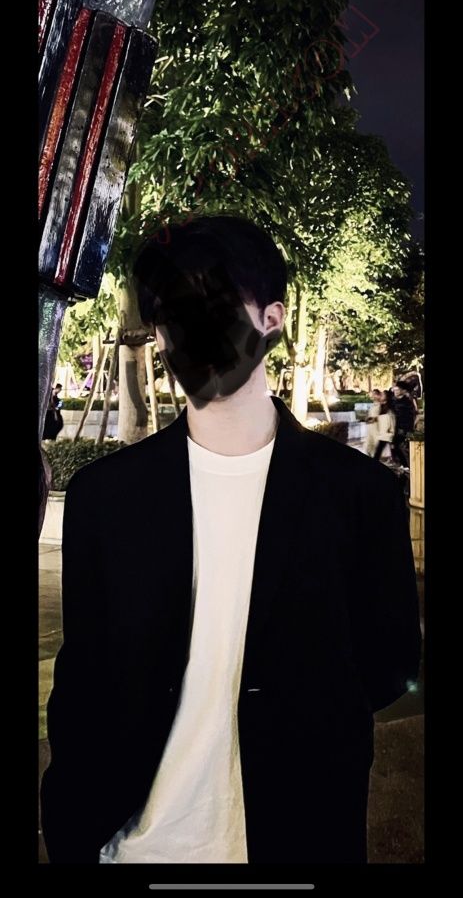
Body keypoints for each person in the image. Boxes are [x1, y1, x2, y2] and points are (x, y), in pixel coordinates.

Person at [40, 215, 422, 865]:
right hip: (132, 849)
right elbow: (84, 686)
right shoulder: (106, 499)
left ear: (271, 320)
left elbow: (389, 665)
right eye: (172, 315)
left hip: (298, 840)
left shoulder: (358, 496)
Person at [373, 390, 396, 461]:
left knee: (378, 452)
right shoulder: (380, 407)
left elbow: (392, 423)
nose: (380, 396)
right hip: (382, 434)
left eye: (383, 395)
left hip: (387, 435)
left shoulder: (390, 410)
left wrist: (392, 434)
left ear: (387, 397)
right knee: (379, 451)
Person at [363, 388, 382, 457]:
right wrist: (366, 419)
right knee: (367, 447)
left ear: (379, 395)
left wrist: (374, 419)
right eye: (372, 394)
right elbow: (369, 416)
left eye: (375, 394)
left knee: (376, 446)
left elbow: (380, 417)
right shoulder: (372, 405)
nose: (373, 396)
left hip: (377, 428)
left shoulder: (381, 405)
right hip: (370, 428)